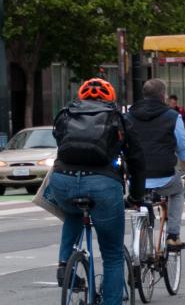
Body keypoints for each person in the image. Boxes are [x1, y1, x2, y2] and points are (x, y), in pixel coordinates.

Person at [48, 78, 146, 305]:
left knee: (72, 213)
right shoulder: (119, 118)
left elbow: (60, 145)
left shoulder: (66, 114)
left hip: (63, 181)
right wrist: (136, 196)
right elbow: (137, 160)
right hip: (103, 184)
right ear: (110, 98)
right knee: (112, 254)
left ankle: (65, 264)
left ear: (81, 97)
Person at [126, 79, 185, 251]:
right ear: (163, 95)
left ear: (144, 94)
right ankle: (173, 236)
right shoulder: (173, 116)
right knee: (178, 191)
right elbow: (183, 150)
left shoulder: (129, 115)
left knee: (139, 196)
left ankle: (140, 243)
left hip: (136, 178)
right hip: (164, 176)